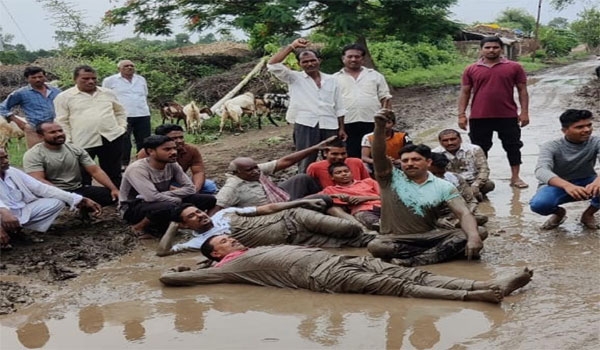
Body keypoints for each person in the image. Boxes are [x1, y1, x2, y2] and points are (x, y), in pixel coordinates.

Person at [159, 233, 534, 305]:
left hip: (338, 261)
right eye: (223, 242)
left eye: (230, 238)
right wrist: (192, 263)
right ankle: (478, 296)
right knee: (399, 290)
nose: (232, 241)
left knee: (410, 275)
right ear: (214, 253)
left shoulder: (258, 249)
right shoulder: (228, 269)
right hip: (323, 278)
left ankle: (490, 285)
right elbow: (168, 278)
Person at [367, 109, 485, 267]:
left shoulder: (443, 185)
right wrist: (380, 127)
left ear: (428, 162)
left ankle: (415, 260)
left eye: (415, 159)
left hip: (429, 236)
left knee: (479, 232)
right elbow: (378, 156)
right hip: (395, 238)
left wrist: (473, 237)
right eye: (405, 160)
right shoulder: (390, 178)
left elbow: (463, 213)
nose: (409, 163)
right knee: (376, 246)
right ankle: (440, 254)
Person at [156, 198, 375, 256]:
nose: (201, 215)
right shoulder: (199, 243)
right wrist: (173, 226)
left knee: (351, 231)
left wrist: (301, 202)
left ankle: (340, 214)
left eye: (199, 211)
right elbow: (163, 252)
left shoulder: (223, 212)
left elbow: (268, 208)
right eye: (192, 216)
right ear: (185, 225)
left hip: (295, 219)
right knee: (353, 244)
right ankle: (389, 240)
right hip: (296, 240)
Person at [458, 36, 529, 189]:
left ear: (501, 49)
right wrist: (462, 114)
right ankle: (481, 179)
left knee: (513, 146)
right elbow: (465, 92)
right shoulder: (471, 69)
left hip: (508, 115)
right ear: (481, 49)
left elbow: (522, 90)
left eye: (495, 47)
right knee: (479, 149)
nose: (491, 50)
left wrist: (524, 112)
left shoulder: (514, 67)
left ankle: (515, 177)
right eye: (488, 47)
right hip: (479, 116)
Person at [267, 37, 347, 173]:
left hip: (330, 123)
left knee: (333, 157)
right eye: (305, 62)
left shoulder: (332, 80)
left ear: (319, 61)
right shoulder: (294, 78)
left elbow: (339, 105)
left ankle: (331, 185)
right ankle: (304, 184)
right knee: (305, 158)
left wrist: (341, 128)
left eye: (312, 60)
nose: (310, 64)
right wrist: (292, 46)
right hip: (306, 124)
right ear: (300, 64)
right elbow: (272, 65)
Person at [0, 147, 102, 249]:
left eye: (6, 157)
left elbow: (41, 188)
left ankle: (15, 231)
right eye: (1, 159)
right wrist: (3, 211)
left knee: (56, 202)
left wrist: (79, 199)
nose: (6, 161)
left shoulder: (12, 172)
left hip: (16, 212)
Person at [119, 135, 216, 238]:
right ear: (151, 151)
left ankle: (201, 225)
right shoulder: (137, 169)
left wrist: (168, 196)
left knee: (209, 199)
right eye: (167, 149)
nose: (174, 152)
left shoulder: (172, 163)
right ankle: (138, 227)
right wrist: (176, 200)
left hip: (162, 200)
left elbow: (190, 188)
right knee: (168, 206)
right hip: (132, 207)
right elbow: (151, 198)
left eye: (174, 148)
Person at [214, 136, 337, 210]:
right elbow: (218, 206)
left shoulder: (256, 170)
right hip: (273, 210)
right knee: (323, 198)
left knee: (302, 178)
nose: (256, 171)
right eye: (249, 170)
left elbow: (286, 161)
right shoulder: (232, 187)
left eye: (256, 167)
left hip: (278, 196)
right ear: (237, 173)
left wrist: (315, 148)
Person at [54, 65, 127, 187]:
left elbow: (120, 111)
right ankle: (87, 199)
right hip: (83, 139)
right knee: (83, 171)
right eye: (85, 79)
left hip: (111, 136)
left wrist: (122, 127)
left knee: (113, 170)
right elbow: (62, 121)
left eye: (93, 78)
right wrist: (68, 141)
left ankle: (116, 196)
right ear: (75, 79)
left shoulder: (107, 93)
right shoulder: (64, 97)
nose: (91, 81)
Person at [530, 109, 600, 229]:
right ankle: (559, 214)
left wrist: (598, 181)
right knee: (539, 205)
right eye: (580, 127)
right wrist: (567, 186)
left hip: (587, 181)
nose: (587, 130)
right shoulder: (551, 146)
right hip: (558, 185)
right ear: (564, 130)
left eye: (589, 125)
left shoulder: (596, 142)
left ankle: (588, 214)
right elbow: (541, 170)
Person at [22, 122, 119, 207]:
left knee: (111, 196)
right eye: (53, 132)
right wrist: (67, 197)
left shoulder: (75, 149)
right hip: (52, 192)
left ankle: (83, 208)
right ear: (41, 136)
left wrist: (113, 189)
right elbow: (39, 180)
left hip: (76, 189)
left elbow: (95, 171)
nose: (59, 134)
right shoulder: (33, 154)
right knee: (54, 204)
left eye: (60, 131)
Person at [333, 43, 392, 158]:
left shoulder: (375, 76)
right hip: (346, 123)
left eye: (357, 56)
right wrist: (339, 127)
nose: (353, 59)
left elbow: (385, 98)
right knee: (352, 155)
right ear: (343, 58)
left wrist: (388, 121)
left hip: (373, 122)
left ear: (363, 59)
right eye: (350, 57)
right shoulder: (334, 79)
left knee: (376, 154)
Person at [137, 124, 218, 194]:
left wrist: (195, 190)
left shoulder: (191, 150)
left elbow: (198, 172)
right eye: (174, 138)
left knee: (209, 186)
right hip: (156, 183)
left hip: (178, 181)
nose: (179, 141)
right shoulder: (148, 152)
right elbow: (142, 177)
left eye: (181, 137)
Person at [102, 60, 152, 169]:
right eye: (126, 66)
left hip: (142, 113)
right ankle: (124, 164)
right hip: (122, 115)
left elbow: (145, 94)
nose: (129, 67)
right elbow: (105, 98)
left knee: (144, 139)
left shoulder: (141, 79)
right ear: (119, 68)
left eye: (132, 66)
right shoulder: (110, 81)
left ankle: (143, 162)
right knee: (124, 140)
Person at [0, 66, 61, 148]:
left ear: (45, 77)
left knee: (58, 154)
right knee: (37, 156)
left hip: (56, 129)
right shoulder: (21, 93)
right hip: (34, 130)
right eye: (33, 77)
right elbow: (2, 107)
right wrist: (20, 123)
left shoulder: (56, 91)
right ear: (27, 79)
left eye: (40, 77)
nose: (38, 79)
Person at [429, 153, 488, 229]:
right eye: (433, 174)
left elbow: (471, 200)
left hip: (454, 214)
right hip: (431, 218)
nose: (438, 177)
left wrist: (467, 214)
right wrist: (436, 220)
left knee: (481, 220)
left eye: (441, 173)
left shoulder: (455, 178)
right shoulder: (415, 184)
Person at [432, 129, 494, 201]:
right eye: (445, 140)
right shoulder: (434, 153)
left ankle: (474, 194)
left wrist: (476, 185)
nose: (450, 143)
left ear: (460, 139)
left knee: (489, 185)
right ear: (440, 142)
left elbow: (484, 169)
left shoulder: (475, 149)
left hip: (472, 181)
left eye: (453, 139)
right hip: (449, 184)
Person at [319, 162, 381, 230]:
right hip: (363, 211)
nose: (344, 174)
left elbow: (386, 196)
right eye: (338, 173)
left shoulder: (369, 182)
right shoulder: (330, 190)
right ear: (332, 177)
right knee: (371, 221)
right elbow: (310, 199)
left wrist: (365, 198)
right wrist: (334, 196)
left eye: (346, 171)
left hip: (383, 206)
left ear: (351, 173)